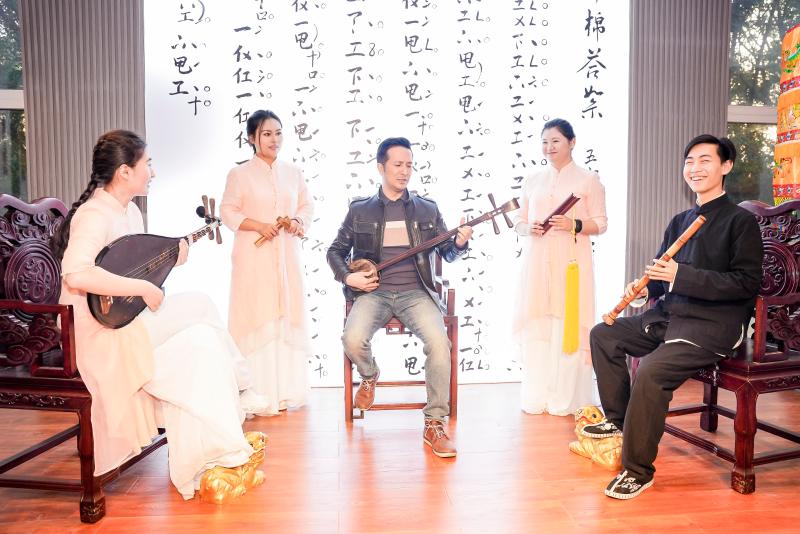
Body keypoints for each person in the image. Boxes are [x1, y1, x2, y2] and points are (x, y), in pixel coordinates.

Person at [51, 129, 265, 500]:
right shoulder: (94, 214)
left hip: (127, 320)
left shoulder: (130, 211)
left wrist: (170, 263)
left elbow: (132, 269)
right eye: (147, 164)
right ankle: (243, 387)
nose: (152, 171)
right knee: (200, 304)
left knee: (202, 341)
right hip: (99, 332)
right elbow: (76, 274)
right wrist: (143, 288)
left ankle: (207, 459)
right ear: (124, 171)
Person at [581, 134, 763, 499]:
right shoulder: (680, 220)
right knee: (604, 334)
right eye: (689, 161)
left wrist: (682, 276)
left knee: (651, 371)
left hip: (713, 325)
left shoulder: (741, 222)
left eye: (705, 160)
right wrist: (645, 289)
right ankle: (619, 421)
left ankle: (637, 470)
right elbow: (662, 276)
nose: (695, 168)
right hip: (670, 316)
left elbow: (746, 284)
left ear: (726, 166)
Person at [326, 137, 473, 458]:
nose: (405, 171)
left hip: (416, 293)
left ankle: (434, 423)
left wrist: (460, 242)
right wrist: (349, 277)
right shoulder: (360, 210)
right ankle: (369, 375)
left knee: (439, 342)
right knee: (352, 339)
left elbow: (447, 252)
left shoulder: (427, 209)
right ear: (381, 167)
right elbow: (335, 250)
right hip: (374, 293)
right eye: (398, 165)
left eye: (409, 165)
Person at [220, 110, 314, 416]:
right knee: (257, 314)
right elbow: (228, 211)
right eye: (267, 134)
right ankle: (258, 394)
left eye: (278, 133)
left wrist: (297, 221)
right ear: (252, 138)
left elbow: (306, 205)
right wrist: (259, 226)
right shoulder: (239, 174)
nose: (274, 139)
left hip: (286, 255)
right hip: (253, 257)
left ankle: (285, 392)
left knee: (285, 314)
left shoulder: (293, 172)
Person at [512, 118, 608, 415]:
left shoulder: (588, 179)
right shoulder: (533, 180)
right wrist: (529, 228)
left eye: (555, 141)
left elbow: (601, 223)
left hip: (571, 263)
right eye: (544, 142)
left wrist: (573, 224)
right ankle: (536, 395)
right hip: (538, 262)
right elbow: (519, 221)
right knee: (538, 321)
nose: (549, 147)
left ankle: (565, 399)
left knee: (568, 323)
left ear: (572, 142)